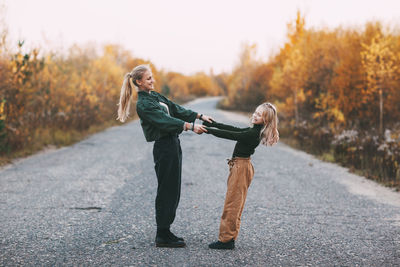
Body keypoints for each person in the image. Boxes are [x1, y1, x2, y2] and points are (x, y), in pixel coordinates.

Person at [117, 64, 213, 248]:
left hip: (173, 143)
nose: (152, 81)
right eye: (148, 79)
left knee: (174, 188)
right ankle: (162, 234)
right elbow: (165, 121)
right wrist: (191, 127)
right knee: (166, 189)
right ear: (138, 82)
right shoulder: (144, 104)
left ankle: (166, 230)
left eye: (152, 77)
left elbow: (174, 108)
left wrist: (199, 115)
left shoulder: (154, 96)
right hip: (164, 147)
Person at [203, 102, 279, 249]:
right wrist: (215, 124)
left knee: (232, 204)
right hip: (240, 166)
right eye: (255, 112)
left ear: (266, 121)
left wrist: (208, 130)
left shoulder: (252, 134)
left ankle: (226, 240)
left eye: (259, 115)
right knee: (235, 202)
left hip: (241, 167)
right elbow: (234, 129)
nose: (255, 115)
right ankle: (229, 237)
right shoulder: (253, 131)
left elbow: (232, 135)